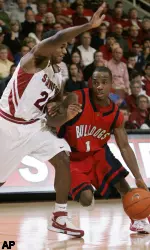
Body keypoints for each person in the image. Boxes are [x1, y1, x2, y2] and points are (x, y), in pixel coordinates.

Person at [0, 3, 106, 237]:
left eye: (67, 47)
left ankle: (59, 216)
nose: (64, 50)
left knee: (62, 156)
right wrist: (88, 25)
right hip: (8, 125)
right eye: (62, 46)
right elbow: (57, 36)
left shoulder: (58, 75)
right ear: (50, 45)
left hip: (34, 127)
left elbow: (52, 119)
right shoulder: (34, 60)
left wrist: (65, 114)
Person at [48, 66, 150, 233]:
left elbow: (124, 146)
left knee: (123, 186)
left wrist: (138, 177)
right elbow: (56, 116)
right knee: (87, 199)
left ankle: (138, 219)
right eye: (95, 83)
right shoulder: (77, 98)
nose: (99, 87)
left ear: (112, 84)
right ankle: (69, 208)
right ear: (91, 84)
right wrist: (59, 109)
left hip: (99, 154)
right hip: (73, 157)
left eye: (104, 82)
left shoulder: (115, 114)